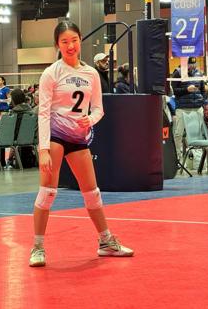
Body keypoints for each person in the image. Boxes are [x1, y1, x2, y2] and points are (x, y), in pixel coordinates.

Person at [30, 21, 133, 268]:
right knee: (47, 193)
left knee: (92, 193)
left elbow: (98, 108)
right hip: (55, 136)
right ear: (57, 44)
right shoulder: (51, 73)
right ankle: (37, 247)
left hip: (78, 138)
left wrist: (91, 119)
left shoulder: (91, 73)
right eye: (64, 41)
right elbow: (43, 112)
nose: (70, 46)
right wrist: (43, 150)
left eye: (74, 40)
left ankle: (106, 242)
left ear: (81, 40)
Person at [172, 57, 205, 167]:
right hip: (182, 108)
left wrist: (202, 102)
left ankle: (197, 160)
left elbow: (203, 90)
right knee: (178, 134)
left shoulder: (199, 73)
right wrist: (187, 90)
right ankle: (177, 159)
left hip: (197, 108)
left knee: (198, 134)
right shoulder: (177, 73)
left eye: (194, 64)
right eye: (190, 64)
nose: (193, 67)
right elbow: (175, 91)